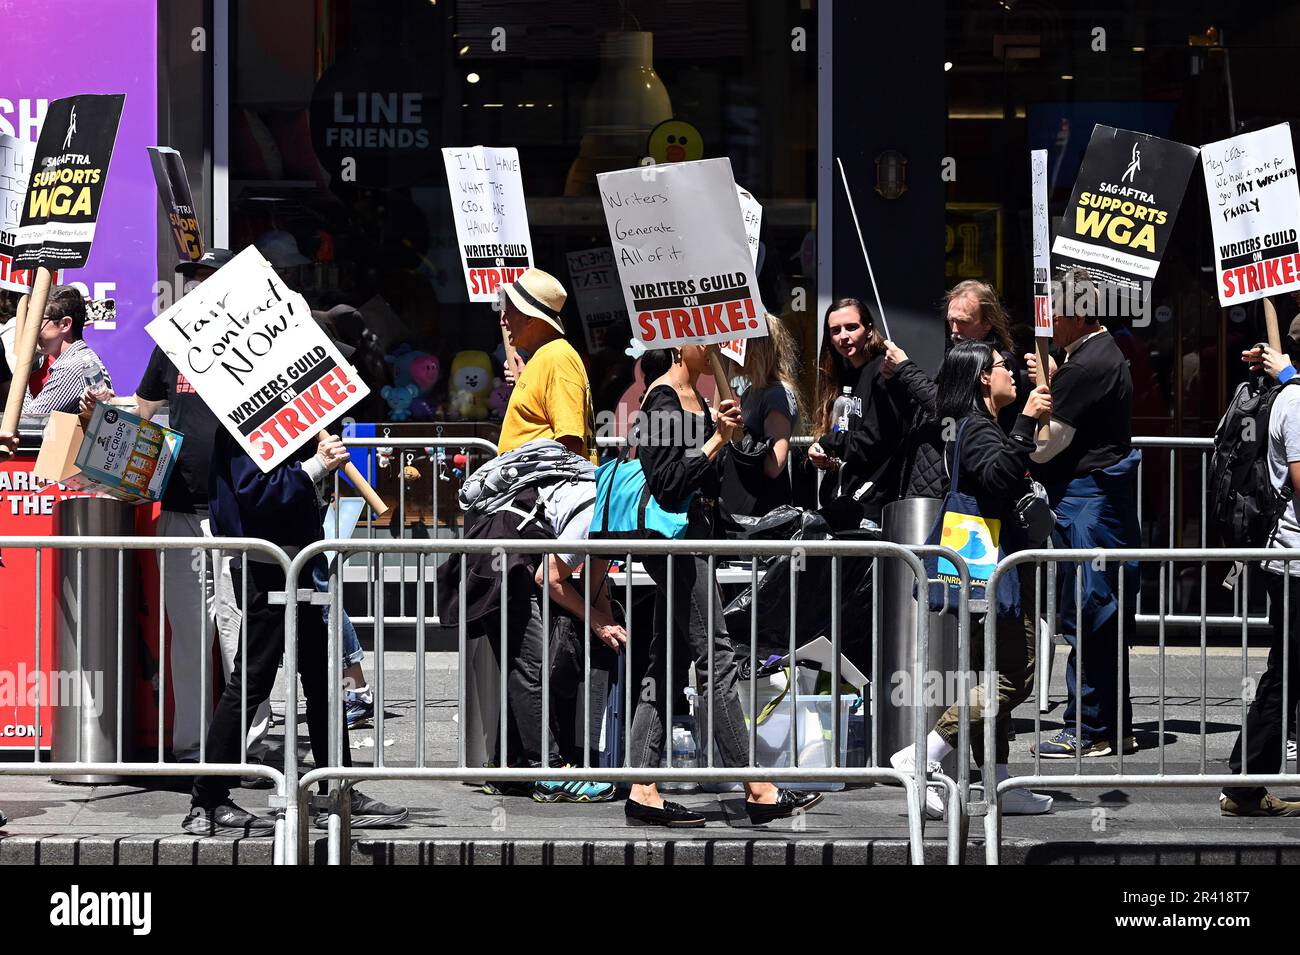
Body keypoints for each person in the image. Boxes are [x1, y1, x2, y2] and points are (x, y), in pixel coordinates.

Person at [184, 350, 406, 836]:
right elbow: (257, 493)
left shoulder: (283, 417)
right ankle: (207, 797)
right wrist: (315, 469)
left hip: (299, 559)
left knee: (321, 677)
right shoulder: (244, 424)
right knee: (253, 681)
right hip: (267, 566)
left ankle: (337, 787)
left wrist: (316, 467)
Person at [84, 249, 272, 772]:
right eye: (193, 280)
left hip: (236, 512)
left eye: (209, 279)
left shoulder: (259, 344)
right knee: (189, 637)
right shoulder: (171, 343)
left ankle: (246, 747)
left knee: (240, 636)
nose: (198, 289)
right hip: (181, 508)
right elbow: (142, 410)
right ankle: (193, 748)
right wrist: (108, 413)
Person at [625, 343, 823, 827]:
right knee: (716, 659)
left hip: (694, 544)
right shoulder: (662, 401)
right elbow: (669, 485)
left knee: (666, 662)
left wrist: (728, 434)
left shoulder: (696, 395)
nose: (716, 345)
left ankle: (641, 786)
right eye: (704, 336)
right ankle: (757, 786)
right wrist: (715, 440)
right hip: (676, 547)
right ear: (677, 344)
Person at [889, 340, 1055, 817]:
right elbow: (1000, 477)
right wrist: (1025, 423)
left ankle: (999, 784)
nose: (1012, 375)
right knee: (1013, 676)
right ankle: (924, 755)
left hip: (994, 569)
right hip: (995, 574)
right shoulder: (977, 429)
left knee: (987, 675)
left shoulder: (978, 424)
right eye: (1004, 367)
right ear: (984, 376)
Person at [443, 438, 622, 801]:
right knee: (532, 667)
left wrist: (606, 620)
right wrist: (598, 622)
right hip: (501, 562)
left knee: (522, 667)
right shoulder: (595, 513)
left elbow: (595, 577)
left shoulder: (606, 504)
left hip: (509, 556)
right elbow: (550, 579)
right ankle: (550, 771)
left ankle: (509, 768)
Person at [1025, 269, 1140, 759]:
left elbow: (1048, 447)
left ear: (1075, 312)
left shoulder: (1087, 364)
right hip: (1099, 500)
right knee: (1102, 610)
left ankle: (1090, 727)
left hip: (1088, 503)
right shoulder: (1095, 354)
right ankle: (1111, 726)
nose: (1046, 321)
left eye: (1053, 310)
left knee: (1089, 611)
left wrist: (1030, 414)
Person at [1218, 339, 1300, 816]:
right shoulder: (1296, 399)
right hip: (1293, 560)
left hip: (1287, 558)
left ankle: (1246, 783)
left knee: (1287, 671)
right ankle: (1245, 785)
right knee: (1285, 672)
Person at [808, 298, 922, 526]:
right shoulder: (841, 375)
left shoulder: (884, 372)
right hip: (841, 499)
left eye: (851, 327)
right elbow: (845, 434)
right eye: (835, 330)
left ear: (869, 330)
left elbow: (876, 440)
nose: (843, 336)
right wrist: (823, 454)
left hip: (871, 504)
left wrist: (828, 442)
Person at [497, 267, 596, 462]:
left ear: (529, 317)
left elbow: (569, 443)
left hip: (547, 489)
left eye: (508, 311)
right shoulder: (544, 358)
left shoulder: (558, 359)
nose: (503, 320)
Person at [719, 313, 804, 518]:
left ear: (756, 349)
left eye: (738, 344)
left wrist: (741, 438)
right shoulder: (751, 393)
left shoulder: (777, 395)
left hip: (764, 511)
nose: (731, 350)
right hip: (748, 505)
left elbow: (774, 465)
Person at [18, 285, 111, 417]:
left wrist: (20, 372)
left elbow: (27, 421)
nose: (31, 328)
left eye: (37, 320)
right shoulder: (82, 358)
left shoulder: (70, 368)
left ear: (65, 324)